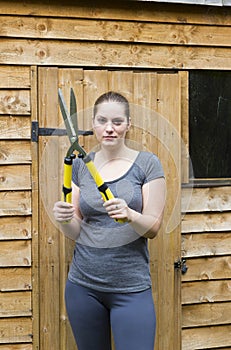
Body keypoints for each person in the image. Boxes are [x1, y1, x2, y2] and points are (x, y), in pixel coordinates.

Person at [53, 91, 166, 350]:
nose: (109, 128)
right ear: (93, 124)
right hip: (83, 287)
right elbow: (75, 230)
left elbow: (154, 227)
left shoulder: (148, 164)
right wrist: (64, 219)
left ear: (128, 125)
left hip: (131, 288)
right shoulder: (81, 166)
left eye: (117, 121)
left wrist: (131, 215)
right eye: (102, 121)